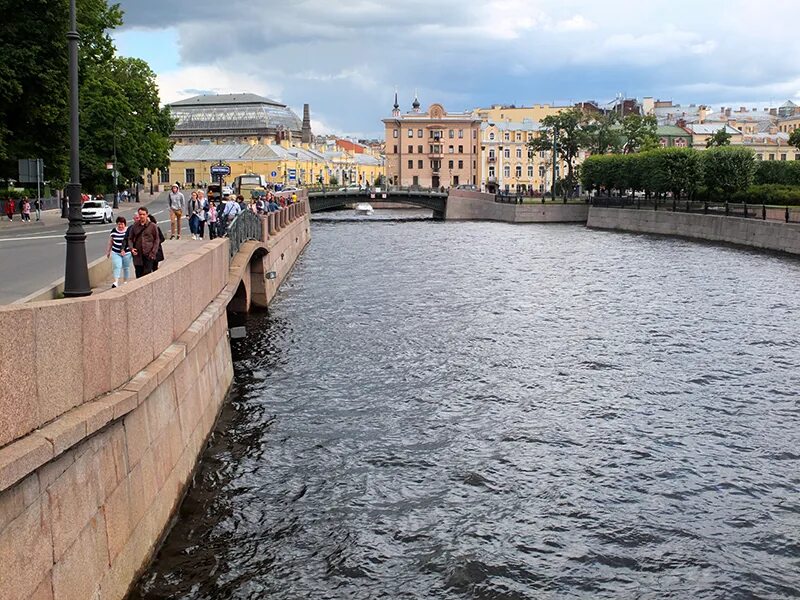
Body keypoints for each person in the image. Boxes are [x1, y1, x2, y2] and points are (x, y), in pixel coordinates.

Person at [128, 207, 160, 278]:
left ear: (147, 215)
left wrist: (153, 252)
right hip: (138, 255)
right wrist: (131, 248)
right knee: (139, 275)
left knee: (147, 275)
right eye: (140, 214)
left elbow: (157, 239)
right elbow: (130, 238)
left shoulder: (152, 226)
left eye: (143, 214)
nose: (141, 216)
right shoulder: (134, 226)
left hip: (149, 255)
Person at [105, 216, 132, 287]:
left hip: (127, 252)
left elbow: (131, 241)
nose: (120, 226)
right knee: (117, 266)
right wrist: (108, 251)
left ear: (125, 224)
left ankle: (125, 281)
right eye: (119, 224)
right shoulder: (114, 231)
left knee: (126, 267)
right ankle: (116, 281)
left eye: (122, 224)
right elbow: (111, 241)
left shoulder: (128, 230)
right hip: (116, 252)